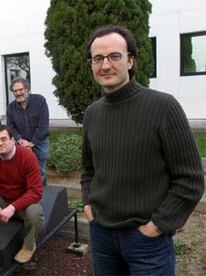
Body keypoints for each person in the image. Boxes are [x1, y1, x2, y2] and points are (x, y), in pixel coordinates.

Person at [82, 25, 204, 275]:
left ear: (130, 60)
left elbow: (190, 179)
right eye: (98, 58)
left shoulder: (163, 107)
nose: (105, 65)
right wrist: (87, 202)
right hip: (102, 236)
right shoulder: (92, 113)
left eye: (114, 56)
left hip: (147, 243)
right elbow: (89, 169)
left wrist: (157, 226)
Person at [0, 125, 44, 264]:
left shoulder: (27, 156)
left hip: (23, 205)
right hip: (3, 200)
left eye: (4, 139)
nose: (0, 143)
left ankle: (29, 246)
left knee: (35, 212)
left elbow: (36, 191)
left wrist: (12, 207)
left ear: (12, 140)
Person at [7, 77, 49, 176]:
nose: (18, 93)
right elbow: (11, 127)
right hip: (21, 145)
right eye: (15, 91)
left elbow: (43, 125)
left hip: (39, 144)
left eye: (20, 89)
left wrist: (31, 143)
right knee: (22, 172)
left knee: (40, 172)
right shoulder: (11, 107)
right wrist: (20, 140)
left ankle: (40, 190)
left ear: (26, 89)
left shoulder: (39, 101)